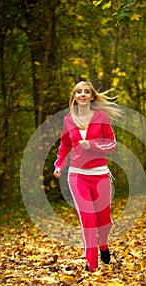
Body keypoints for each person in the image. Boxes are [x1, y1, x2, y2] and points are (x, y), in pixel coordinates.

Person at [53, 81, 121, 271]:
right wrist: (59, 165)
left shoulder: (101, 117)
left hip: (100, 175)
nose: (82, 94)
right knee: (88, 219)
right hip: (77, 175)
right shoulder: (68, 119)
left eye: (86, 92)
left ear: (92, 96)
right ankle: (91, 264)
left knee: (104, 221)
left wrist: (91, 145)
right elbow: (65, 146)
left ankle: (104, 244)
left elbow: (112, 144)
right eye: (78, 92)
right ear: (74, 97)